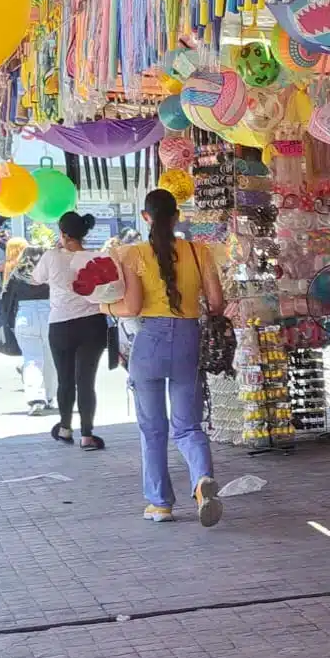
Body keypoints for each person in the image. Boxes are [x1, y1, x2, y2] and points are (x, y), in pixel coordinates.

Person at [110, 189, 224, 526]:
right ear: (177, 217)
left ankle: (160, 504)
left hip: (149, 343)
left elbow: (130, 307)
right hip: (188, 339)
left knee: (152, 429)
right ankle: (202, 481)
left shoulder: (133, 254)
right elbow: (217, 304)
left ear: (146, 217)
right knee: (188, 425)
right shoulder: (198, 250)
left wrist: (103, 306)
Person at [30, 213, 108, 449]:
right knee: (86, 381)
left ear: (62, 233)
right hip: (92, 323)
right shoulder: (95, 257)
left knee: (65, 379)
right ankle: (87, 435)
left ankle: (64, 428)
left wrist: (58, 250)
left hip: (61, 324)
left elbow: (36, 279)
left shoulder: (51, 256)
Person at [4, 239, 57, 415]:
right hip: (50, 313)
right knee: (50, 357)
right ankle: (50, 396)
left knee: (32, 358)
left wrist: (9, 322)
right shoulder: (50, 273)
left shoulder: (17, 275)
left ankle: (35, 397)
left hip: (25, 315)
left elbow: (7, 299)